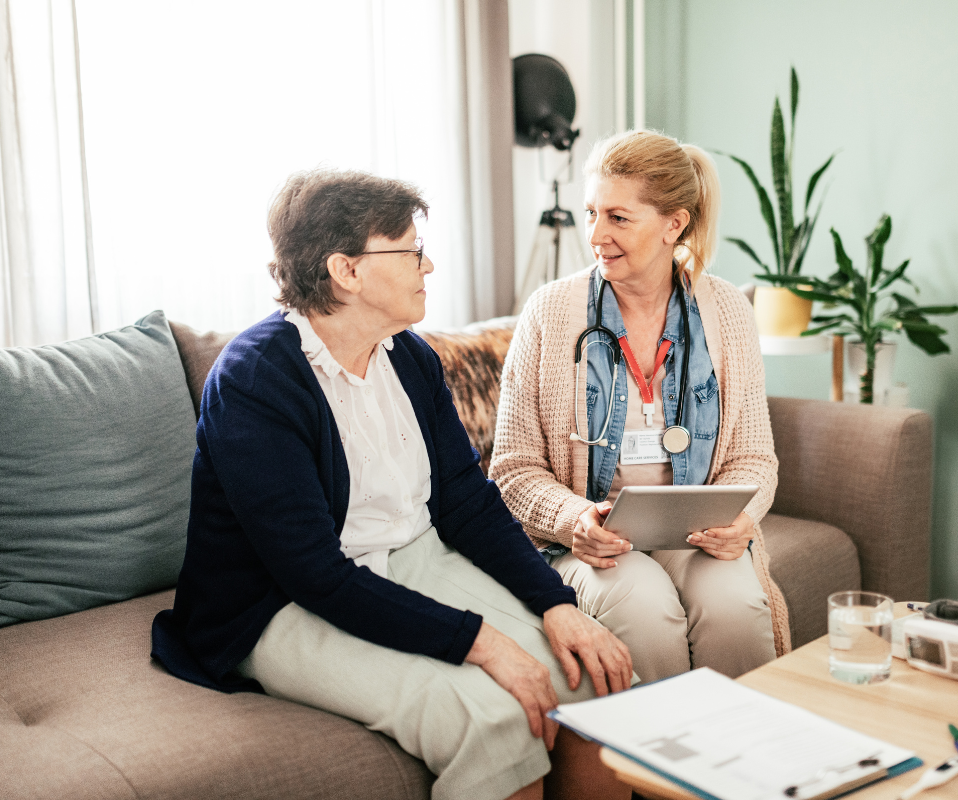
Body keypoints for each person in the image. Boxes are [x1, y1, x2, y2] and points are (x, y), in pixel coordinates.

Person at [151, 169, 633, 800]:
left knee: (594, 678)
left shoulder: (408, 355)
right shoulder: (256, 379)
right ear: (346, 271)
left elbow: (467, 501)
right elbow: (314, 574)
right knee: (494, 721)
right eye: (410, 251)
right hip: (279, 603)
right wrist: (480, 642)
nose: (427, 266)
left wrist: (556, 604)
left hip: (413, 557)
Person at [489, 131, 789, 684]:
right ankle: (656, 741)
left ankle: (740, 737)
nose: (595, 235)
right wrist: (575, 519)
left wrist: (741, 520)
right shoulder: (550, 313)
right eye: (591, 213)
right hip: (591, 543)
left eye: (618, 218)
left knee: (737, 607)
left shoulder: (727, 310)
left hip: (692, 534)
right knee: (645, 610)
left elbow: (753, 457)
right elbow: (513, 468)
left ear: (674, 224)